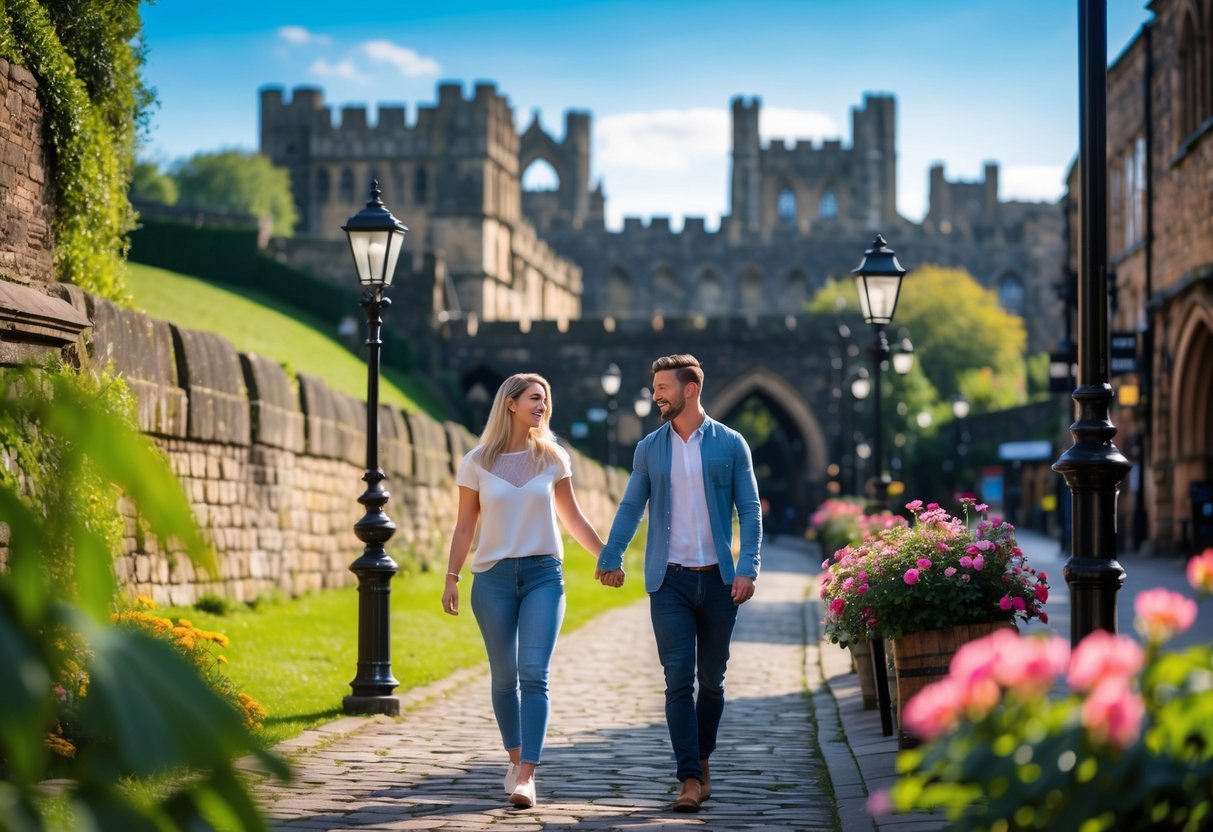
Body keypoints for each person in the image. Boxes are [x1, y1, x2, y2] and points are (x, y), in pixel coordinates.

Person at [596, 354, 762, 813]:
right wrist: (610, 555)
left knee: (712, 683)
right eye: (654, 388)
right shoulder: (649, 447)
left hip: (719, 583)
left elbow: (749, 509)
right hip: (668, 581)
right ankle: (689, 777)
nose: (656, 395)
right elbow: (632, 506)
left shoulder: (730, 444)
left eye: (664, 387)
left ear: (691, 389)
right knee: (676, 683)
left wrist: (748, 566)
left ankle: (702, 759)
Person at [442, 373, 608, 809]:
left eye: (546, 400)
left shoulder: (554, 458)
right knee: (504, 678)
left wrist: (605, 557)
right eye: (535, 398)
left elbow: (573, 518)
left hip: (543, 577)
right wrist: (451, 577)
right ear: (510, 404)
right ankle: (515, 760)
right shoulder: (476, 462)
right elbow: (465, 526)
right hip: (492, 579)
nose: (543, 406)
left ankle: (527, 777)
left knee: (534, 672)